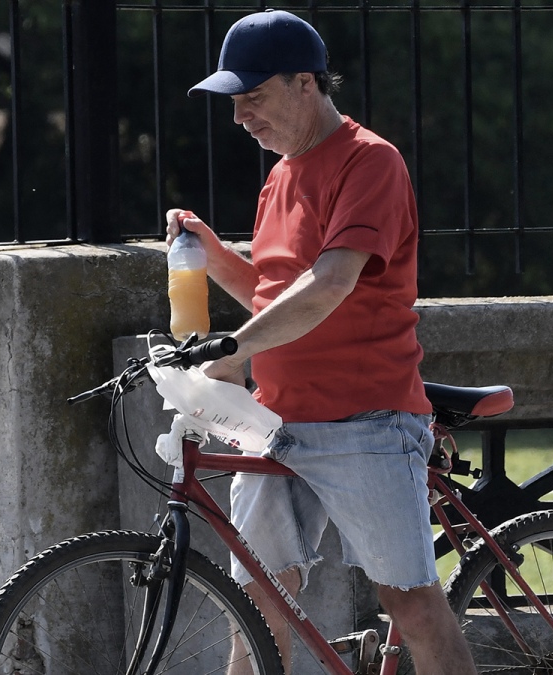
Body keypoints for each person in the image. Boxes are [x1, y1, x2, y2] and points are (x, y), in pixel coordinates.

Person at [166, 10, 478, 675]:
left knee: (411, 604)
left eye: (253, 95)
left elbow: (331, 283)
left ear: (305, 83)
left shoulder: (371, 162)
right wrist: (220, 259)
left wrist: (233, 351)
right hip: (278, 419)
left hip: (366, 419)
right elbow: (280, 297)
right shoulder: (280, 175)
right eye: (234, 100)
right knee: (254, 603)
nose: (239, 115)